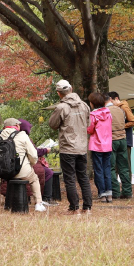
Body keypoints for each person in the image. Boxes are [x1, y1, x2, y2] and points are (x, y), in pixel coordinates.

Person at [49, 79, 92, 214]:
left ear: (58, 93)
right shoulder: (84, 105)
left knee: (70, 178)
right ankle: (87, 207)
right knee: (83, 177)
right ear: (71, 89)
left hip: (68, 147)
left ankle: (74, 208)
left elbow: (53, 124)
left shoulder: (62, 107)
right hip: (82, 147)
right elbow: (88, 123)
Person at [0, 118, 45, 212]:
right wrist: (30, 164)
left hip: (4, 174)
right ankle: (38, 204)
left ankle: (8, 205)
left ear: (4, 127)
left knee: (11, 178)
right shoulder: (22, 136)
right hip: (22, 172)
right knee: (34, 179)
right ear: (17, 126)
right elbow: (34, 155)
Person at [18, 119, 52, 205]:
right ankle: (45, 198)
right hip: (26, 165)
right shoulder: (25, 138)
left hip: (16, 166)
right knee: (48, 172)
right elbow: (34, 153)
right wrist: (45, 151)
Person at [87, 92, 113, 202]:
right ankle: (110, 193)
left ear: (93, 103)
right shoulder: (108, 113)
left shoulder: (93, 115)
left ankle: (102, 194)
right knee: (107, 168)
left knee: (98, 169)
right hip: (108, 144)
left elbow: (90, 129)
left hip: (97, 145)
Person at [107, 93, 132, 200]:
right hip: (123, 140)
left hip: (112, 140)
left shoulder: (106, 111)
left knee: (112, 167)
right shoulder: (121, 110)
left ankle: (115, 192)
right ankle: (127, 192)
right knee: (124, 167)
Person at [108, 91, 134, 171]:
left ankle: (127, 183)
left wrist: (120, 126)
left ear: (116, 98)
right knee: (116, 165)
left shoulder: (123, 107)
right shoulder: (117, 108)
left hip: (126, 140)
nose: (110, 104)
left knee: (125, 165)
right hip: (119, 139)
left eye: (112, 101)